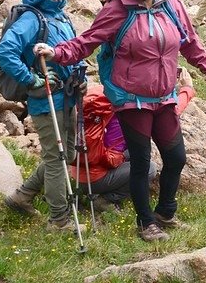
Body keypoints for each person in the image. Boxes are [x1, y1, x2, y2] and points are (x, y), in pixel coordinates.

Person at [34, 0, 206, 242]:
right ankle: (145, 222)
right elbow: (88, 42)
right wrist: (56, 53)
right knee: (140, 161)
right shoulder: (117, 10)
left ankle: (166, 212)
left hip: (164, 97)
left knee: (176, 157)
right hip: (130, 100)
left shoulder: (172, 6)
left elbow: (190, 43)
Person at [0, 0, 86, 232]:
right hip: (46, 99)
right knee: (57, 158)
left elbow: (73, 54)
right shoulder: (31, 18)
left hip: (68, 97)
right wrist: (31, 78)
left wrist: (82, 80)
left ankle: (22, 196)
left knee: (65, 154)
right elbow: (5, 52)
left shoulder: (61, 17)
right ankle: (59, 220)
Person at [73, 69, 196, 212]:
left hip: (78, 170)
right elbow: (168, 114)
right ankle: (107, 199)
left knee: (135, 149)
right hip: (96, 179)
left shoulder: (103, 96)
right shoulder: (131, 110)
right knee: (148, 168)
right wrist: (187, 89)